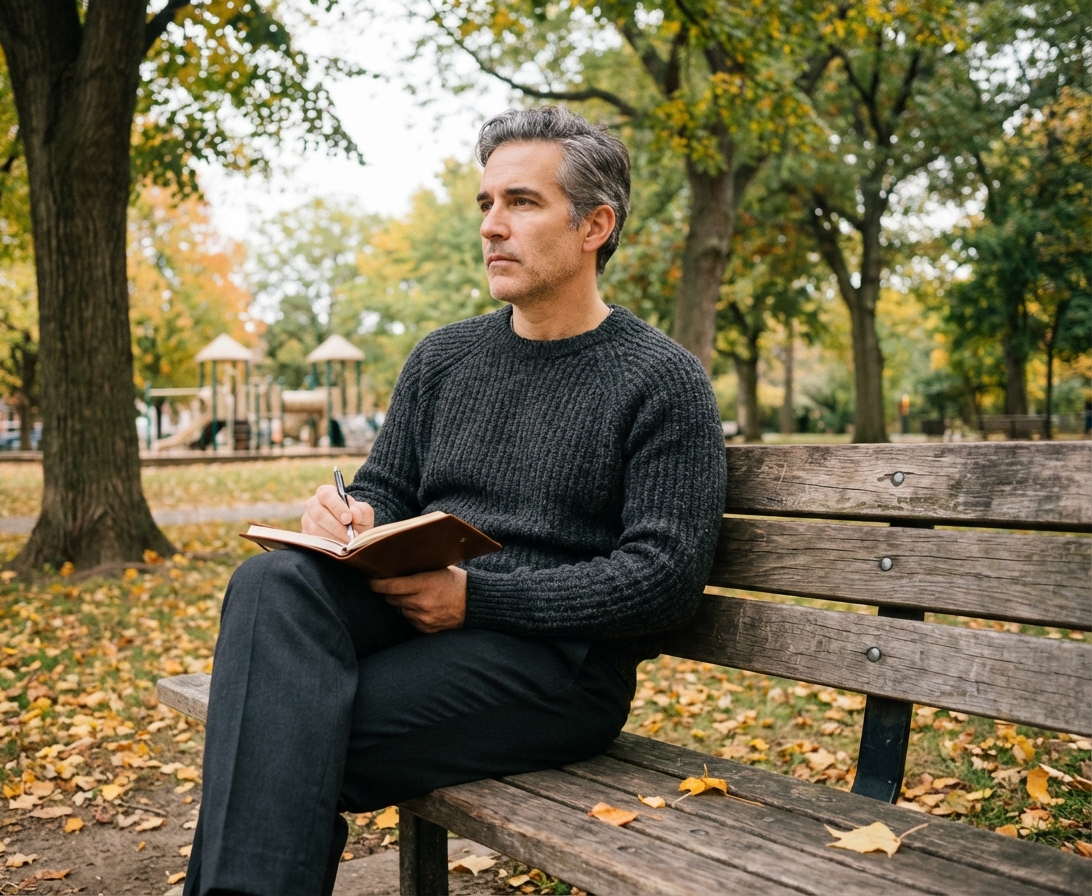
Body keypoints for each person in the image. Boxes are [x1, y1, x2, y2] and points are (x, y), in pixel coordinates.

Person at [183, 106, 726, 896]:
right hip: (416, 620)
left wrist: (478, 599)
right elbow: (386, 487)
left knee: (270, 735)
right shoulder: (445, 358)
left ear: (595, 226)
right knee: (271, 584)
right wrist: (348, 513)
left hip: (557, 668)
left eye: (522, 203)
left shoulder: (661, 379)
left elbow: (664, 578)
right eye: (485, 205)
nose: (492, 227)